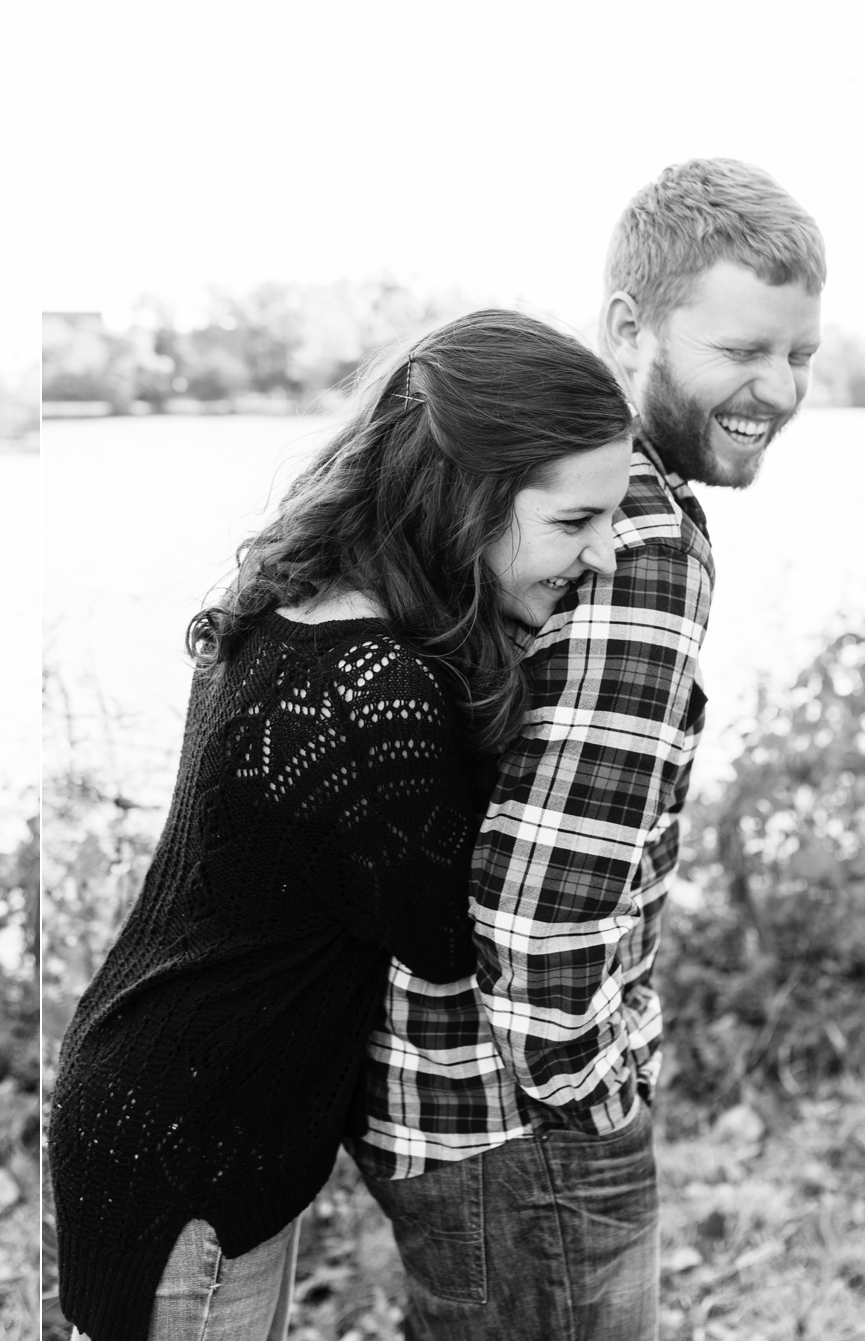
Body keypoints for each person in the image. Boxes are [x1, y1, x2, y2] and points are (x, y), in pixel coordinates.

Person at [50, 310, 639, 1341]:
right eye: (572, 521)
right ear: (465, 501)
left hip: (150, 1098)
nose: (603, 553)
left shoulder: (300, 604)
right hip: (193, 1144)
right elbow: (446, 940)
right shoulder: (375, 693)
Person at [350, 158, 825, 1340]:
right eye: (740, 351)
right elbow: (540, 901)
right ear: (630, 327)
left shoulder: (516, 486)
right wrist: (590, 1100)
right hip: (522, 1134)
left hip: (429, 1101)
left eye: (799, 353)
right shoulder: (642, 534)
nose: (775, 388)